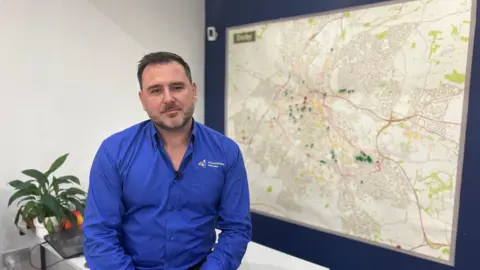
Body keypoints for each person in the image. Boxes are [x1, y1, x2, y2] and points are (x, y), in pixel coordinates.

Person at [83, 51, 252, 270]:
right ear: (143, 100)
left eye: (177, 87)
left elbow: (237, 229)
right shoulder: (113, 152)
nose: (168, 98)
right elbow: (99, 234)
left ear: (193, 91)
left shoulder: (226, 152)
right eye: (155, 90)